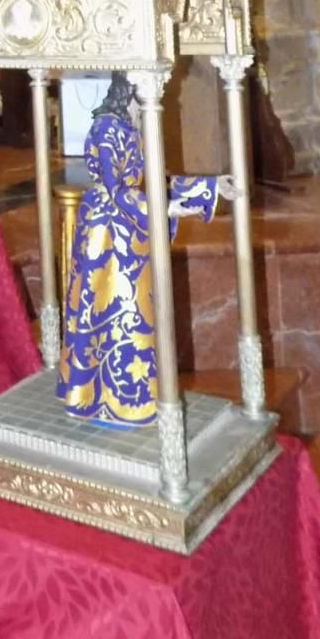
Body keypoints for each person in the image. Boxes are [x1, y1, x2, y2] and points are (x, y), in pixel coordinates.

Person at [56, 73, 233, 425]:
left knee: (136, 313)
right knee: (114, 313)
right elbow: (117, 187)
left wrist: (210, 187)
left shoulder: (133, 125)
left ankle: (134, 395)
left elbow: (153, 180)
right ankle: (107, 399)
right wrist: (163, 208)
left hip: (130, 234)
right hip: (106, 238)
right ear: (130, 90)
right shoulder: (106, 129)